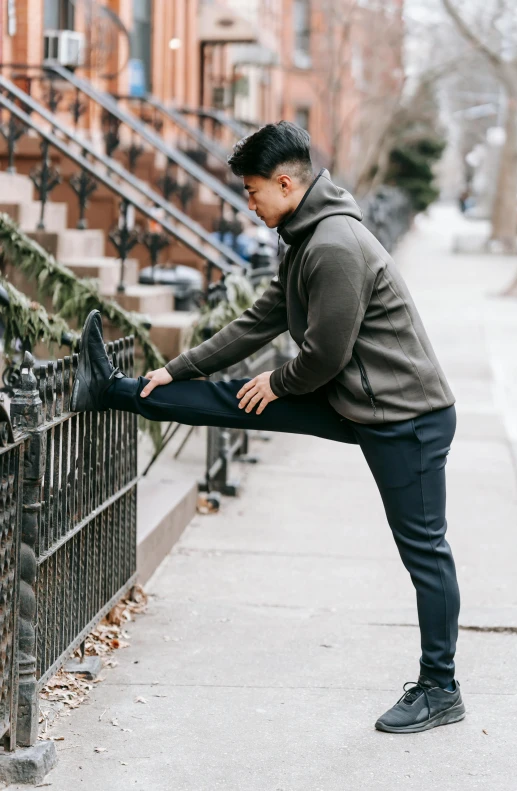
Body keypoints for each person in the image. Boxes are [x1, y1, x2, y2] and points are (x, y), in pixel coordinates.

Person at [71, 121, 465, 734]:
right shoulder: (302, 235)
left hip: (405, 417)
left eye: (253, 192)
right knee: (232, 402)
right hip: (356, 399)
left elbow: (326, 354)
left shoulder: (335, 246)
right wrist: (178, 368)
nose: (249, 206)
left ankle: (441, 688)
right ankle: (112, 390)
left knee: (424, 552)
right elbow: (262, 319)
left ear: (286, 183)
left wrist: (277, 384)